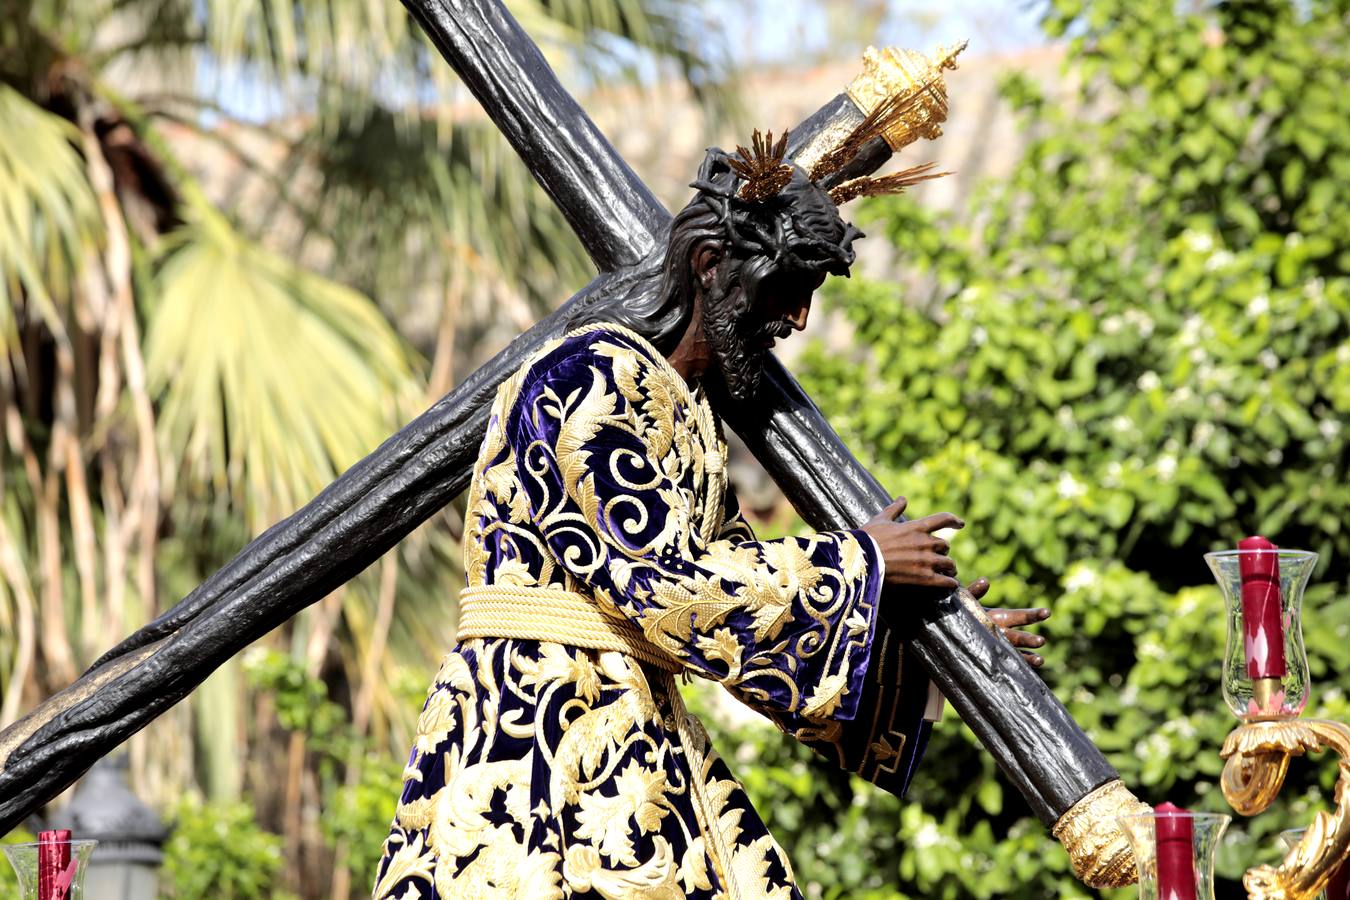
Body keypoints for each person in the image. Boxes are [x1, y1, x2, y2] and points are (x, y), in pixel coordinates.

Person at [373, 129, 1048, 898]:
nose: (796, 320)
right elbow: (664, 583)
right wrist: (860, 563)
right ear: (708, 265)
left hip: (636, 725)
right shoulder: (585, 378)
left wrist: (920, 640)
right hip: (534, 740)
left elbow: (739, 609)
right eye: (785, 289)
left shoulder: (687, 415)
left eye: (810, 297)